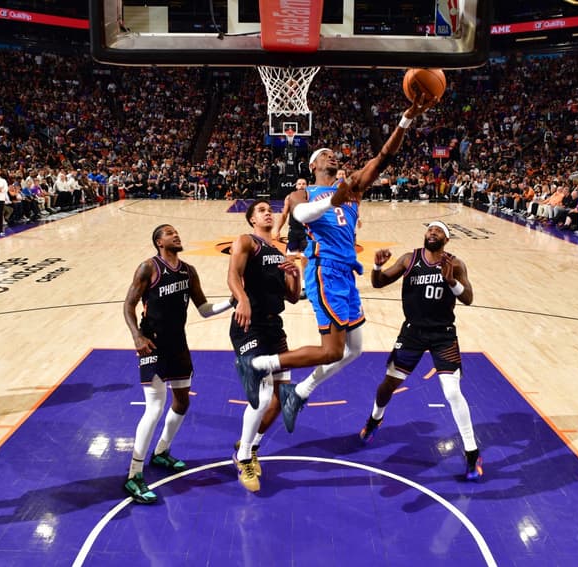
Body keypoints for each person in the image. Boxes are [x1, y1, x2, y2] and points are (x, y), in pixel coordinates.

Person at [239, 93, 434, 434]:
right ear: (313, 165)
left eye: (333, 155)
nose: (332, 156)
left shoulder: (352, 188)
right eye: (325, 155)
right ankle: (260, 364)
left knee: (355, 349)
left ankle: (299, 391)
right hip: (324, 271)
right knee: (332, 351)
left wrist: (406, 119)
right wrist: (333, 200)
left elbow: (384, 156)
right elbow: (300, 214)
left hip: (347, 273)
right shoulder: (303, 193)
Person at [358, 222, 482, 480]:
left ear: (446, 239)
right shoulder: (409, 259)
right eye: (430, 230)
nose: (432, 233)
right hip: (412, 332)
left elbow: (468, 298)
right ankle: (375, 419)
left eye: (438, 231)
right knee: (387, 385)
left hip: (443, 334)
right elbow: (379, 283)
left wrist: (452, 282)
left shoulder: (455, 264)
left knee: (452, 392)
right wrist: (378, 265)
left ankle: (472, 452)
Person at [122, 224, 233, 504]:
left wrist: (233, 300)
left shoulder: (188, 271)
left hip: (178, 344)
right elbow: (128, 304)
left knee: (182, 402)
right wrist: (137, 336)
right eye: (170, 233)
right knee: (155, 407)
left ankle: (161, 452)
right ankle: (134, 474)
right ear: (159, 241)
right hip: (153, 342)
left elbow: (204, 309)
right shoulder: (148, 267)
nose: (176, 235)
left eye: (177, 232)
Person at [228, 200, 300, 492]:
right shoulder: (247, 242)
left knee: (283, 394)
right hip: (249, 325)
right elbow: (233, 275)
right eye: (260, 210)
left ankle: (251, 444)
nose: (267, 212)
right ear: (251, 220)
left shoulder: (278, 251)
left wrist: (294, 274)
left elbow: (293, 297)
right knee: (262, 392)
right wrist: (242, 299)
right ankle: (243, 457)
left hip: (274, 327)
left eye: (269, 209)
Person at [271, 177, 309, 298]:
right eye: (299, 183)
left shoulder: (311, 197)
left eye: (304, 183)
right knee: (289, 259)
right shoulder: (289, 197)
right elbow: (284, 214)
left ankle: (304, 287)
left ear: (307, 186)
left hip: (306, 232)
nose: (301, 185)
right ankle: (288, 286)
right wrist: (277, 229)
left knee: (304, 260)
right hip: (293, 232)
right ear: (296, 186)